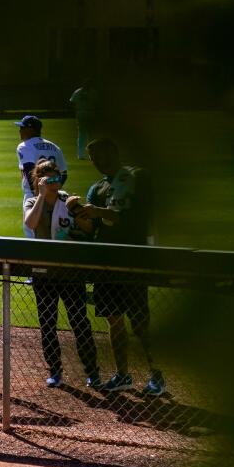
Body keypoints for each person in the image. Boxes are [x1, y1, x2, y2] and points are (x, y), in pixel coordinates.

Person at [80, 137, 165, 396]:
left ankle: (157, 375)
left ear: (114, 152)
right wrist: (78, 214)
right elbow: (91, 229)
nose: (96, 162)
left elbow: (137, 216)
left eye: (100, 156)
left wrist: (100, 213)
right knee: (113, 319)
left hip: (132, 261)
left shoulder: (137, 177)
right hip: (107, 264)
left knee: (140, 321)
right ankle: (122, 374)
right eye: (93, 158)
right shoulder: (96, 189)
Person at [23, 158, 100, 389]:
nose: (56, 184)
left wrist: (77, 212)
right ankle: (55, 370)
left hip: (69, 273)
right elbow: (31, 223)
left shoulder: (67, 200)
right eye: (50, 180)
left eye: (58, 179)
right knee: (47, 323)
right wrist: (41, 195)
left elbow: (89, 229)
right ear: (39, 181)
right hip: (44, 273)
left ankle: (92, 371)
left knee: (79, 322)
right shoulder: (30, 201)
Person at [14, 115, 67, 238]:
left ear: (30, 129)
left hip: (34, 193)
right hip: (55, 195)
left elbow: (29, 171)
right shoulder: (54, 147)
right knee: (55, 229)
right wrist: (54, 190)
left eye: (22, 128)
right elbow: (64, 173)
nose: (20, 131)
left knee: (31, 230)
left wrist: (37, 195)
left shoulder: (24, 146)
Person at [68, 82, 97, 161]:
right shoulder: (92, 92)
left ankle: (81, 154)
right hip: (89, 112)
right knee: (89, 134)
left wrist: (76, 110)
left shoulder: (78, 92)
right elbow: (96, 102)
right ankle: (91, 154)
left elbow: (72, 102)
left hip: (82, 112)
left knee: (82, 134)